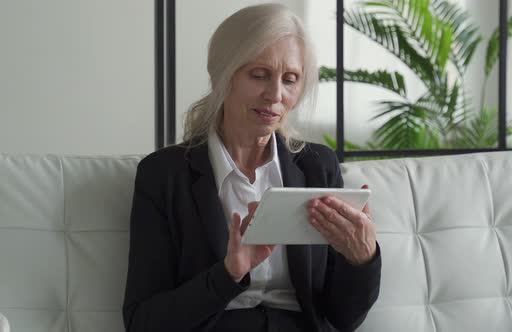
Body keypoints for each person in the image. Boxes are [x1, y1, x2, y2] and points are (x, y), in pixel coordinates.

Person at [122, 3, 381, 331]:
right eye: (259, 75)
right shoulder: (164, 175)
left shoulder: (318, 165)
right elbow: (143, 322)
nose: (275, 95)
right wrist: (228, 274)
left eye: (290, 79)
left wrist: (362, 258)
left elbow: (342, 318)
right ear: (223, 75)